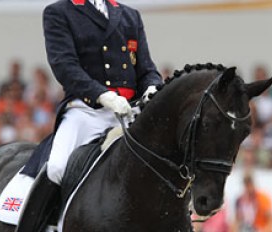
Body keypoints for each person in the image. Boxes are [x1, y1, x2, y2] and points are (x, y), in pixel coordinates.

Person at [16, 0, 162, 231]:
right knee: (57, 166)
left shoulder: (129, 15)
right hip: (87, 110)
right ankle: (43, 225)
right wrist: (102, 95)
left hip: (129, 112)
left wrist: (154, 87)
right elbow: (64, 65)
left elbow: (146, 69)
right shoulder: (59, 12)